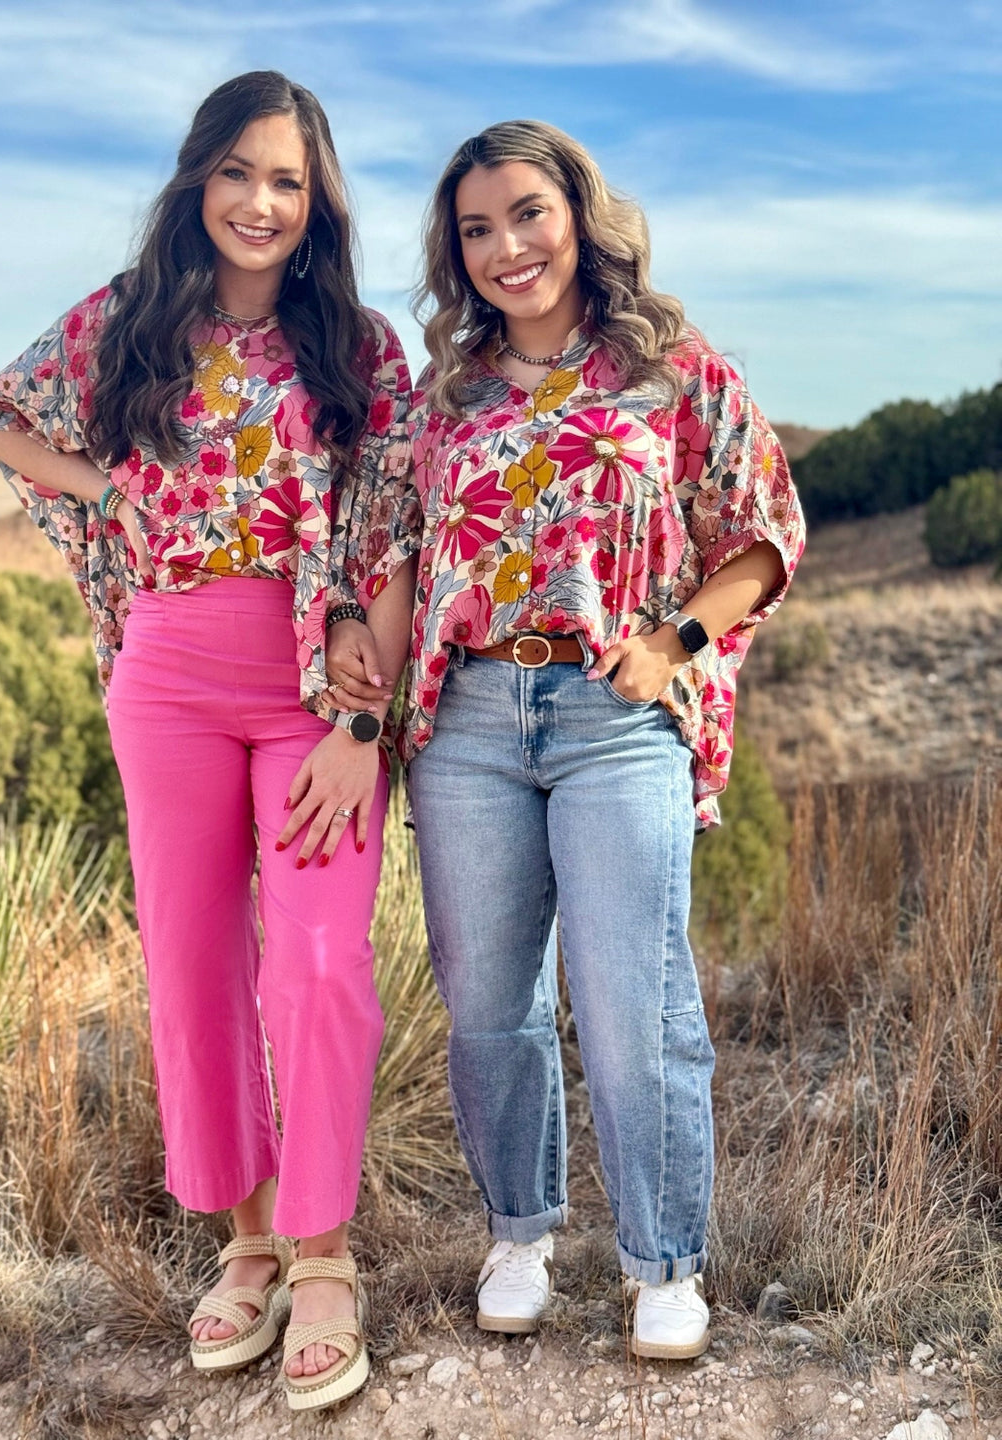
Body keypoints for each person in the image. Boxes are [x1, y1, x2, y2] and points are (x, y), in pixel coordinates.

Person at [0, 70, 419, 1411]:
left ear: (316, 197)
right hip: (165, 668)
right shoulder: (126, 323)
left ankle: (327, 1257)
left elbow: (390, 536)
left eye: (286, 179)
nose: (260, 203)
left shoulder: (361, 346)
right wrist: (107, 486)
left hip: (310, 684)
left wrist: (360, 720)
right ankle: (252, 1240)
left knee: (322, 962)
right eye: (236, 173)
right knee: (193, 961)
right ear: (196, 181)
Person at [329, 118, 804, 1359]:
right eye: (476, 230)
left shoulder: (674, 369)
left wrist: (669, 649)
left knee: (631, 998)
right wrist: (353, 677)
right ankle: (521, 1232)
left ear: (579, 215)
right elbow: (387, 548)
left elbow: (758, 534)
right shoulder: (448, 399)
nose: (506, 248)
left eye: (526, 214)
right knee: (489, 1001)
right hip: (472, 722)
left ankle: (662, 1264)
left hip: (618, 715)